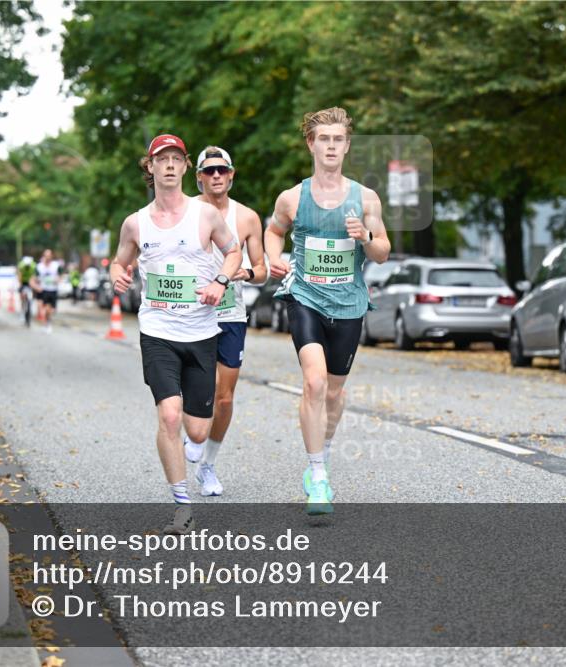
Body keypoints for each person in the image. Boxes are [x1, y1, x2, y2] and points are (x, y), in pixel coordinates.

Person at [111, 133, 241, 534]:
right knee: (169, 415)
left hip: (202, 332)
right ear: (149, 168)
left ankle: (194, 453)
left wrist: (220, 280)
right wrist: (117, 273)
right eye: (160, 159)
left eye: (175, 159)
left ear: (186, 167)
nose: (168, 165)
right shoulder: (135, 223)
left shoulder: (206, 216)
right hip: (158, 331)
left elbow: (234, 251)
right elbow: (120, 262)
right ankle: (182, 504)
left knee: (197, 428)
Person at [266, 106, 390, 515]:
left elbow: (383, 253)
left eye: (338, 139)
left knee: (334, 392)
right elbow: (273, 231)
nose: (331, 146)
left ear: (347, 145)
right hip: (305, 297)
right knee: (315, 384)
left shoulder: (365, 197)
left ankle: (325, 447)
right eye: (324, 139)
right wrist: (273, 259)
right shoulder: (293, 197)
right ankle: (317, 475)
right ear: (311, 145)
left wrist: (366, 236)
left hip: (349, 303)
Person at [183, 146, 267, 496]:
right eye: (209, 171)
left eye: (222, 170)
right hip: (191, 313)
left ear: (231, 175)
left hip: (231, 314)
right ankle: (194, 430)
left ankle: (208, 467)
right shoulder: (183, 212)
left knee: (225, 398)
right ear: (199, 177)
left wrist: (243, 273)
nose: (216, 176)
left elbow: (261, 271)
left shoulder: (247, 217)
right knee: (195, 388)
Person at [31, 249, 62, 333]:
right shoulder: (39, 267)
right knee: (42, 308)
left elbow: (60, 277)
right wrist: (36, 287)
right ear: (43, 256)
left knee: (50, 310)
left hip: (53, 290)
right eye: (46, 255)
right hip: (42, 290)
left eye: (49, 256)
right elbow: (33, 279)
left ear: (52, 256)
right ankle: (46, 324)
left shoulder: (56, 266)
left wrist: (58, 280)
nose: (47, 257)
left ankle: (47, 322)